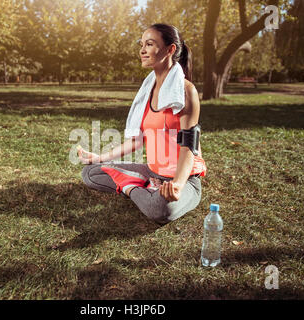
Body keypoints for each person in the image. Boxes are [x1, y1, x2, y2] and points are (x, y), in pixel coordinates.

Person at [78, 23, 207, 225]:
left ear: (170, 49)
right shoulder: (147, 91)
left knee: (161, 209)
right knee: (90, 172)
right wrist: (99, 157)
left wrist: (178, 185)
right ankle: (138, 187)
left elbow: (188, 147)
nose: (142, 50)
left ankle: (142, 189)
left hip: (185, 179)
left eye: (150, 44)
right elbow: (136, 142)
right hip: (153, 172)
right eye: (142, 44)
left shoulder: (185, 91)